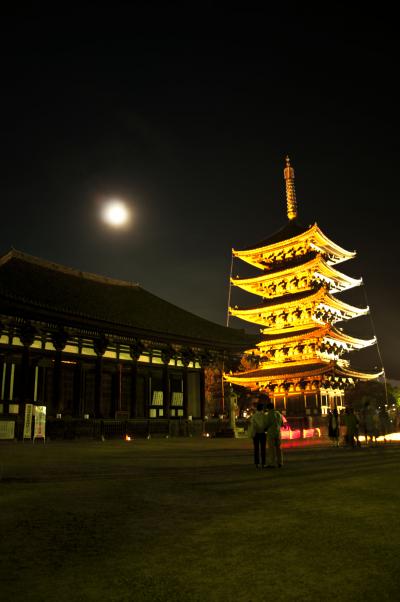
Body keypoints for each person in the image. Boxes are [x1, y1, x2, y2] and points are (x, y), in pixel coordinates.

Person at [248, 400, 267, 469]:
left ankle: (257, 463)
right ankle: (263, 463)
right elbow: (266, 424)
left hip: (256, 433)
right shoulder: (264, 415)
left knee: (256, 449)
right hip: (262, 433)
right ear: (262, 408)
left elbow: (252, 424)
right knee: (263, 449)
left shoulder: (254, 416)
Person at [264, 401, 284, 468]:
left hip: (271, 433)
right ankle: (280, 462)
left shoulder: (269, 414)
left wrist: (265, 428)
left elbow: (267, 424)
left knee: (271, 449)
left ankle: (272, 463)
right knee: (279, 448)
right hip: (278, 432)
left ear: (268, 408)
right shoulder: (279, 414)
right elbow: (282, 423)